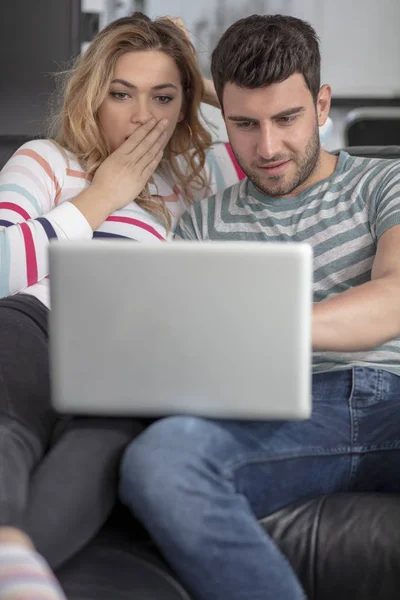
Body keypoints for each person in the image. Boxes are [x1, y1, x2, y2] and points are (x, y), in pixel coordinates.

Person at [119, 13, 400, 600]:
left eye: (287, 118)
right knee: (160, 462)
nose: (267, 147)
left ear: (322, 105)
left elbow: (394, 296)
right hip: (282, 414)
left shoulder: (385, 183)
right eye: (245, 124)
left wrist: (259, 326)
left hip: (389, 394)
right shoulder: (199, 225)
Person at [0, 11, 239, 599]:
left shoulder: (199, 179)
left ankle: (20, 562)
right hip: (34, 324)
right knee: (12, 426)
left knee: (107, 442)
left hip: (128, 357)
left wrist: (197, 72)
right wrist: (104, 194)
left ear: (185, 107)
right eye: (121, 94)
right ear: (93, 97)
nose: (141, 116)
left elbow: (287, 137)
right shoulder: (48, 160)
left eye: (163, 98)